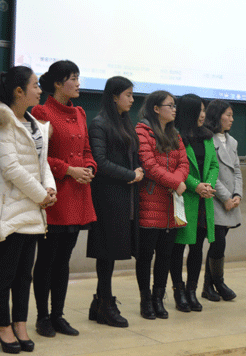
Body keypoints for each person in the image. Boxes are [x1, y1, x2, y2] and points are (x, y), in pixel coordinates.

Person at [0, 67, 57, 354]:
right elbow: (11, 168)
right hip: (10, 208)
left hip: (33, 208)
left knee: (25, 275)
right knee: (5, 274)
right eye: (35, 85)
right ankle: (2, 326)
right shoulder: (0, 121)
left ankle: (20, 324)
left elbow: (42, 162)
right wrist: (41, 195)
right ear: (19, 91)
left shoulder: (34, 123)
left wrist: (50, 189)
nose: (40, 90)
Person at [30, 60, 97, 338]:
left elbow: (87, 149)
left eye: (78, 77)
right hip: (55, 194)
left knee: (64, 259)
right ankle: (42, 317)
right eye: (73, 78)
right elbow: (38, 155)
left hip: (78, 193)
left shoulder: (80, 112)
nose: (78, 83)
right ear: (58, 83)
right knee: (47, 259)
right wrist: (69, 170)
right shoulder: (41, 112)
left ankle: (58, 315)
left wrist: (90, 167)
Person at [86, 76, 144, 328]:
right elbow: (99, 161)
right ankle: (105, 304)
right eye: (127, 95)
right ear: (114, 96)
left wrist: (137, 170)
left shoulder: (124, 122)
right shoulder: (99, 123)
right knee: (106, 252)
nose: (132, 99)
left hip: (125, 195)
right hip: (107, 196)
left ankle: (100, 302)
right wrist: (130, 174)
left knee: (111, 252)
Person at [135, 91, 189, 320]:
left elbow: (184, 164)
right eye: (170, 105)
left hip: (171, 205)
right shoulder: (142, 131)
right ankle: (146, 300)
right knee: (145, 256)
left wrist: (176, 180)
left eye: (175, 105)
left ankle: (159, 298)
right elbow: (149, 165)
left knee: (165, 255)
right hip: (150, 202)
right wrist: (175, 182)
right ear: (156, 109)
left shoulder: (175, 134)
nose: (174, 109)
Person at [169, 94, 218, 313]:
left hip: (203, 200)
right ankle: (178, 291)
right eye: (200, 110)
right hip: (183, 199)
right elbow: (175, 168)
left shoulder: (207, 137)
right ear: (189, 112)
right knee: (178, 248)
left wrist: (208, 185)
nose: (203, 114)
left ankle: (192, 290)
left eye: (204, 110)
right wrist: (196, 185)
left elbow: (214, 165)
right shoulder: (175, 136)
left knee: (197, 248)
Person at [201, 99, 242, 302]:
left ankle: (208, 287)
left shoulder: (232, 142)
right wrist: (226, 197)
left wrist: (237, 194)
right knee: (218, 243)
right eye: (228, 115)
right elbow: (210, 172)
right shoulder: (207, 139)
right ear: (217, 116)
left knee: (219, 242)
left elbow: (237, 171)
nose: (231, 119)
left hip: (230, 201)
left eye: (232, 115)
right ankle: (218, 282)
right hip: (214, 198)